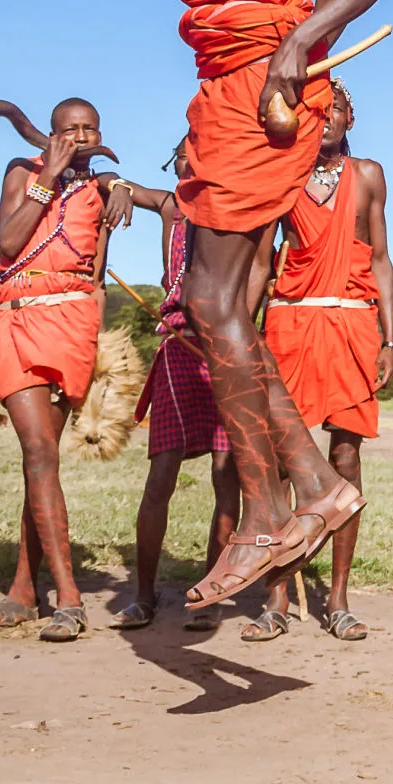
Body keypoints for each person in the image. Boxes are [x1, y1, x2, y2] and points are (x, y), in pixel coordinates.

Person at [176, 0, 393, 609]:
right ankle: (308, 489)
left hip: (262, 93)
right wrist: (302, 6)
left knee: (211, 305)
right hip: (225, 93)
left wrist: (298, 45)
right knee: (215, 309)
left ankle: (275, 505)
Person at [0, 98, 137, 642]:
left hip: (73, 326)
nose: (81, 135)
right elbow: (9, 241)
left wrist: (126, 187)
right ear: (51, 134)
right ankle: (68, 596)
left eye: (90, 128)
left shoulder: (103, 187)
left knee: (42, 461)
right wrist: (50, 173)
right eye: (70, 129)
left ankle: (22, 590)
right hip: (18, 319)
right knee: (38, 451)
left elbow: (156, 208)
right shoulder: (24, 172)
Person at [245, 82, 393, 642]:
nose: (326, 117)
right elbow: (261, 262)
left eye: (335, 109)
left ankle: (338, 599)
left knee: (347, 459)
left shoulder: (370, 175)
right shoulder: (281, 177)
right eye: (315, 109)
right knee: (282, 461)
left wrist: (390, 339)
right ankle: (276, 596)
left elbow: (381, 260)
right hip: (290, 321)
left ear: (351, 115)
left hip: (354, 323)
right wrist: (239, 330)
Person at [109, 139, 239, 633]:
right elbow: (114, 186)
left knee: (227, 476)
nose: (192, 160)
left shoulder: (234, 209)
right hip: (178, 351)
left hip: (227, 352)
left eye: (204, 150)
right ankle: (144, 596)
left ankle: (210, 593)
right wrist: (118, 184)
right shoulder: (171, 206)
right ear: (175, 163)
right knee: (161, 473)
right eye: (183, 153)